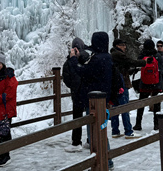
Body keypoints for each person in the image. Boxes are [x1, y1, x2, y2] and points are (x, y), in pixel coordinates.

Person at [68, 31, 114, 170]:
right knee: (101, 130)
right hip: (103, 98)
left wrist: (73, 59)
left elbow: (82, 71)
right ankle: (106, 160)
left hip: (94, 101)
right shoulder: (107, 57)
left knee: (94, 133)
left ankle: (101, 162)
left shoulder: (98, 59)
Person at [110, 38, 145, 138]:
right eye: (123, 45)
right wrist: (143, 62)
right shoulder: (118, 54)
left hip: (115, 85)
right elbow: (130, 61)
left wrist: (131, 71)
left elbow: (122, 69)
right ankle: (128, 131)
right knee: (125, 107)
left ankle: (115, 131)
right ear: (117, 46)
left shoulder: (113, 55)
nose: (125, 47)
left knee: (115, 108)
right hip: (121, 85)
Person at [0, 53, 18, 167]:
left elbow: (11, 89)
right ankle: (1, 154)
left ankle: (6, 155)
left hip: (5, 108)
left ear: (3, 64)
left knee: (5, 132)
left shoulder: (8, 75)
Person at [62, 38, 89, 152]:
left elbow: (67, 78)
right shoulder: (71, 62)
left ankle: (82, 141)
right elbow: (66, 78)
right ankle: (82, 141)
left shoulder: (84, 58)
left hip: (81, 92)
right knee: (82, 116)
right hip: (82, 92)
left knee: (82, 117)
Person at [133, 39, 163, 131]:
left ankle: (138, 124)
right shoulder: (157, 55)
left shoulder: (142, 56)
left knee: (141, 103)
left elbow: (137, 66)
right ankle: (157, 124)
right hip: (156, 83)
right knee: (157, 103)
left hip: (144, 83)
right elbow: (161, 65)